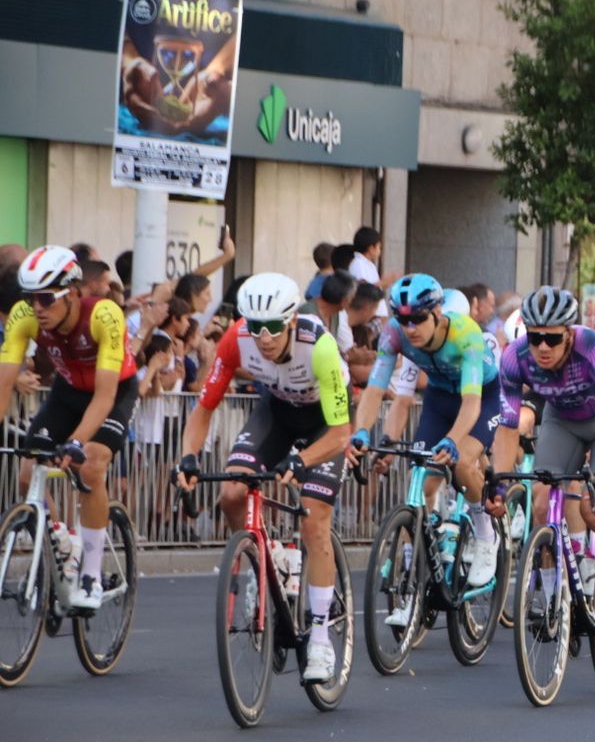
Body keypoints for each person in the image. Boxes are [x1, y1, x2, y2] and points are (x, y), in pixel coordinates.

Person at [175, 274, 351, 683]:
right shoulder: (236, 340)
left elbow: (341, 434)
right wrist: (187, 457)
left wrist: (303, 459)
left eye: (273, 326)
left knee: (313, 520)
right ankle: (262, 563)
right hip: (276, 416)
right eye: (256, 326)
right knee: (232, 493)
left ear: (292, 321)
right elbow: (204, 408)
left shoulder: (319, 347)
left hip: (324, 427)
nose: (264, 336)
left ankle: (321, 639)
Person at [489, 286, 595, 626]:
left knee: (593, 510)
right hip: (562, 419)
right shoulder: (515, 357)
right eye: (535, 337)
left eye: (552, 339)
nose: (542, 347)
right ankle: (549, 600)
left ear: (569, 335)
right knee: (542, 503)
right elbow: (507, 426)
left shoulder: (594, 349)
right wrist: (499, 482)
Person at [0, 247, 140, 611]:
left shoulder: (104, 315)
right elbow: (3, 383)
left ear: (74, 293)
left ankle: (91, 574)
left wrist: (76, 442)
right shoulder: (24, 317)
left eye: (46, 298)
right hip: (68, 392)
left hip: (113, 391)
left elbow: (105, 395)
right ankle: (63, 543)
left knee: (90, 465)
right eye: (31, 299)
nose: (38, 308)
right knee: (29, 472)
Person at [348, 274, 500, 596]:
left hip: (480, 398)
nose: (410, 328)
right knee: (425, 477)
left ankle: (486, 534)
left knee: (460, 464)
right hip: (440, 399)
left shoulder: (466, 336)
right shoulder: (393, 334)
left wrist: (453, 441)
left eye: (418, 319)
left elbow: (471, 404)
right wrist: (360, 431)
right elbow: (376, 389)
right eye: (403, 320)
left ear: (438, 313)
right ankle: (427, 546)